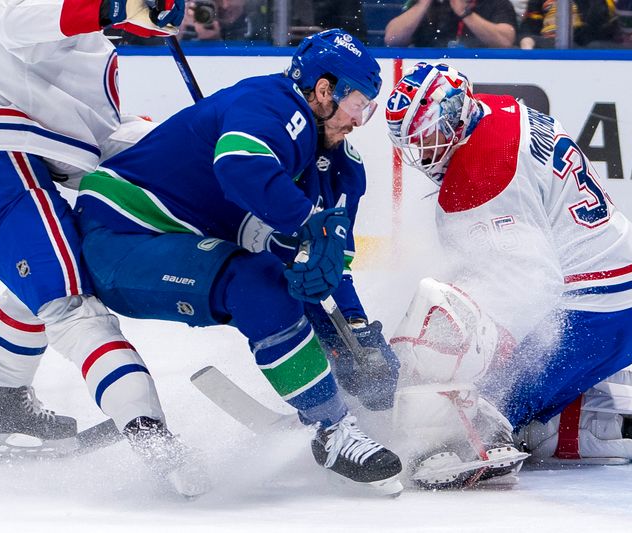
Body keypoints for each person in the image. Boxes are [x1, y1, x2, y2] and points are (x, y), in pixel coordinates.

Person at [73, 29, 404, 495]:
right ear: (325, 90)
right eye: (356, 103)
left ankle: (327, 403)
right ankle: (333, 430)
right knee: (260, 285)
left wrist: (352, 331)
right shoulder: (272, 102)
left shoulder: (341, 165)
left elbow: (328, 262)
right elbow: (239, 167)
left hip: (183, 238)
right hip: (122, 231)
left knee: (283, 278)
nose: (359, 119)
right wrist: (308, 223)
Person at [383, 62, 632, 473]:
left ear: (451, 114)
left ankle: (489, 437)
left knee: (472, 408)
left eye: (426, 136)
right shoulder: (496, 110)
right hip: (627, 305)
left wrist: (478, 363)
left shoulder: (479, 174)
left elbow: (530, 284)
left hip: (592, 322)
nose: (422, 153)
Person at [0, 0, 211, 497]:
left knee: (41, 282)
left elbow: (75, 28)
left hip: (32, 147)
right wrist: (116, 6)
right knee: (68, 304)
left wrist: (145, 15)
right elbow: (15, 18)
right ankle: (149, 432)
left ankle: (1, 401)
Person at [384, 0, 519, 48]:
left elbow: (505, 40)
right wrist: (423, 3)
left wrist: (465, 14)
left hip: (482, 72)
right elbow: (392, 38)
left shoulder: (495, 3)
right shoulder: (430, 5)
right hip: (431, 74)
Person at [517, 0, 617, 48]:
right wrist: (526, 38)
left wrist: (534, 40)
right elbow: (528, 28)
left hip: (580, 50)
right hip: (544, 49)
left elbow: (595, 33)